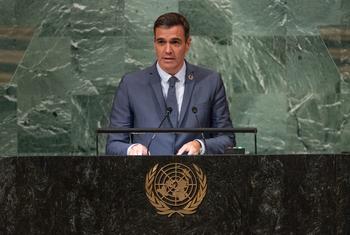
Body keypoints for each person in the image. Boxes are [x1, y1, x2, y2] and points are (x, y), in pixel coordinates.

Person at [106, 12, 235, 156]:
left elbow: (228, 139)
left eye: (175, 42)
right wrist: (132, 149)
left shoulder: (210, 81)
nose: (168, 50)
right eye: (161, 42)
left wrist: (201, 145)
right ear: (154, 44)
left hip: (196, 174)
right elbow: (113, 144)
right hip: (148, 175)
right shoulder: (131, 84)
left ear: (187, 44)